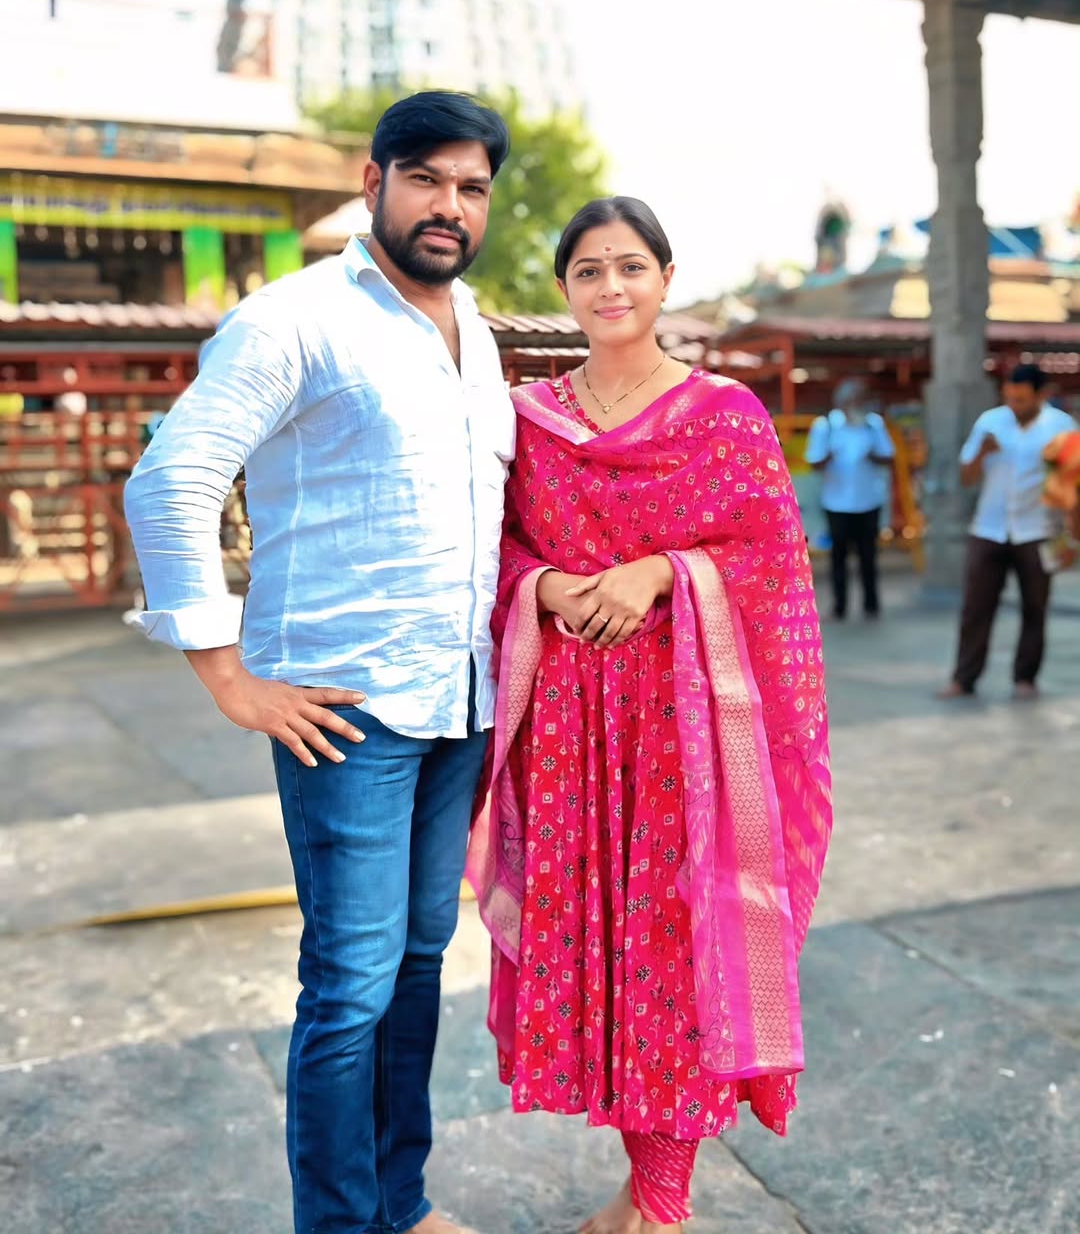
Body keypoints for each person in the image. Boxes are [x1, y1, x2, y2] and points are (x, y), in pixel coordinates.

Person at [124, 91, 515, 1234]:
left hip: (460, 700)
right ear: (374, 181)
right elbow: (171, 480)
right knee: (349, 986)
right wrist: (228, 676)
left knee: (418, 965)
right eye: (427, 178)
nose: (449, 206)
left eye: (472, 188)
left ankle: (401, 1202)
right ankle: (341, 1224)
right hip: (347, 711)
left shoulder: (476, 329)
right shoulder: (293, 319)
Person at [467, 197, 833, 1234]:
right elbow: (489, 546)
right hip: (568, 730)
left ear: (666, 279)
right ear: (565, 289)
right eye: (589, 270)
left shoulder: (724, 415)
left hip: (688, 730)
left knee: (671, 947)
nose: (612, 287)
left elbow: (769, 557)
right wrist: (543, 586)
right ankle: (641, 1189)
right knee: (599, 945)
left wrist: (662, 571)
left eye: (631, 266)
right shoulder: (528, 419)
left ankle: (663, 1205)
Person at [940, 363, 1077, 700]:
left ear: (1041, 395)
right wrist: (982, 453)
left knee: (1035, 607)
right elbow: (966, 479)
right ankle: (964, 678)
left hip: (1038, 530)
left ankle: (1025, 678)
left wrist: (1072, 539)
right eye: (1010, 398)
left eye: (1022, 400)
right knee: (976, 607)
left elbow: (1073, 487)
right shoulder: (990, 422)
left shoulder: (1062, 427)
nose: (1014, 405)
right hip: (988, 529)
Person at [804, 378, 895, 620]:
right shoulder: (826, 426)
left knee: (868, 556)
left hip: (868, 501)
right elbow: (814, 462)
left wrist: (871, 455)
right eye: (855, 399)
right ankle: (839, 606)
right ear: (843, 402)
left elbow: (889, 457)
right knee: (839, 557)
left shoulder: (873, 425)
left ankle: (871, 605)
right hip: (837, 503)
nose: (859, 404)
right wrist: (831, 455)